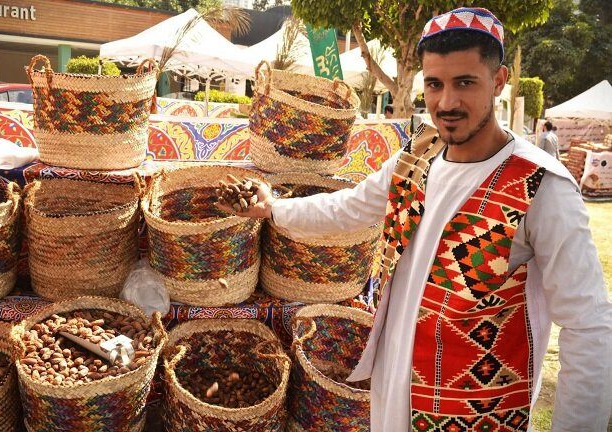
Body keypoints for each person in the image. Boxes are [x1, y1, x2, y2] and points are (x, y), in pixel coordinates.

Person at [218, 7, 612, 431]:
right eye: (434, 84)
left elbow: (589, 326)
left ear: (498, 81)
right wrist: (273, 208)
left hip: (475, 414)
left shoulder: (542, 186)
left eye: (465, 83)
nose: (447, 102)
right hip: (395, 387)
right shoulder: (419, 153)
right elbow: (350, 207)